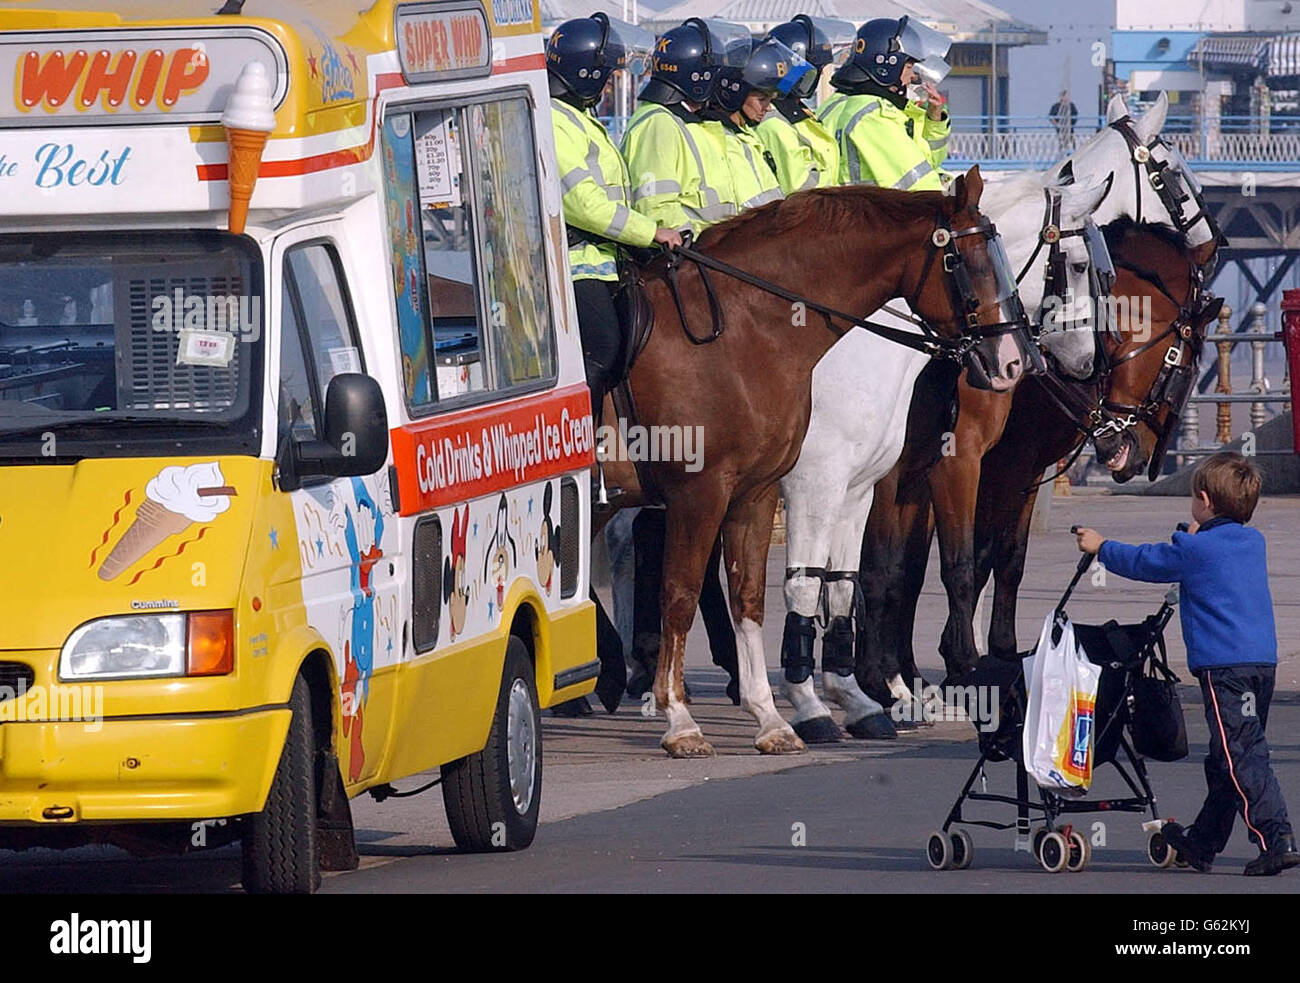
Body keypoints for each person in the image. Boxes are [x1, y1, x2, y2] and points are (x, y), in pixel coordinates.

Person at [1075, 452, 1298, 876]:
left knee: (1240, 756)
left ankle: (1276, 836)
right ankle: (1202, 843)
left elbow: (1149, 562)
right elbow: (1197, 555)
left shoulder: (1195, 550)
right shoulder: (1252, 542)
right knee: (1226, 757)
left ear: (1203, 499)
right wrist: (1191, 535)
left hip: (1223, 667)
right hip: (1259, 665)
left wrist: (1101, 547)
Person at [547, 13, 682, 715]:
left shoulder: (588, 121)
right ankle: (578, 456)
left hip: (612, 264)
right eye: (609, 75)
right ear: (591, 73)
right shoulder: (559, 123)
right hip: (580, 272)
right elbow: (584, 203)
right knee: (599, 354)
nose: (613, 87)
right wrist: (647, 230)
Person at [621, 17, 751, 235]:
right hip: (691, 258)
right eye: (715, 74)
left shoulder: (685, 121)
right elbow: (656, 208)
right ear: (699, 78)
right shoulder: (659, 123)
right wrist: (697, 244)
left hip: (713, 257)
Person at [818, 16, 953, 191]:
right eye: (909, 66)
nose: (913, 77)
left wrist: (934, 119)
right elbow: (919, 187)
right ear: (887, 65)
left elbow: (925, 160)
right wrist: (954, 198)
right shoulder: (874, 115)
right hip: (874, 215)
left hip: (848, 212)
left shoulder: (833, 105)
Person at [700, 36, 812, 210]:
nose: (767, 108)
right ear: (734, 92)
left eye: (771, 100)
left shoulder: (745, 134)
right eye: (762, 99)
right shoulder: (723, 141)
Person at [756, 15, 855, 193]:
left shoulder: (798, 115)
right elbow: (801, 189)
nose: (821, 76)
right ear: (798, 71)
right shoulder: (774, 124)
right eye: (817, 71)